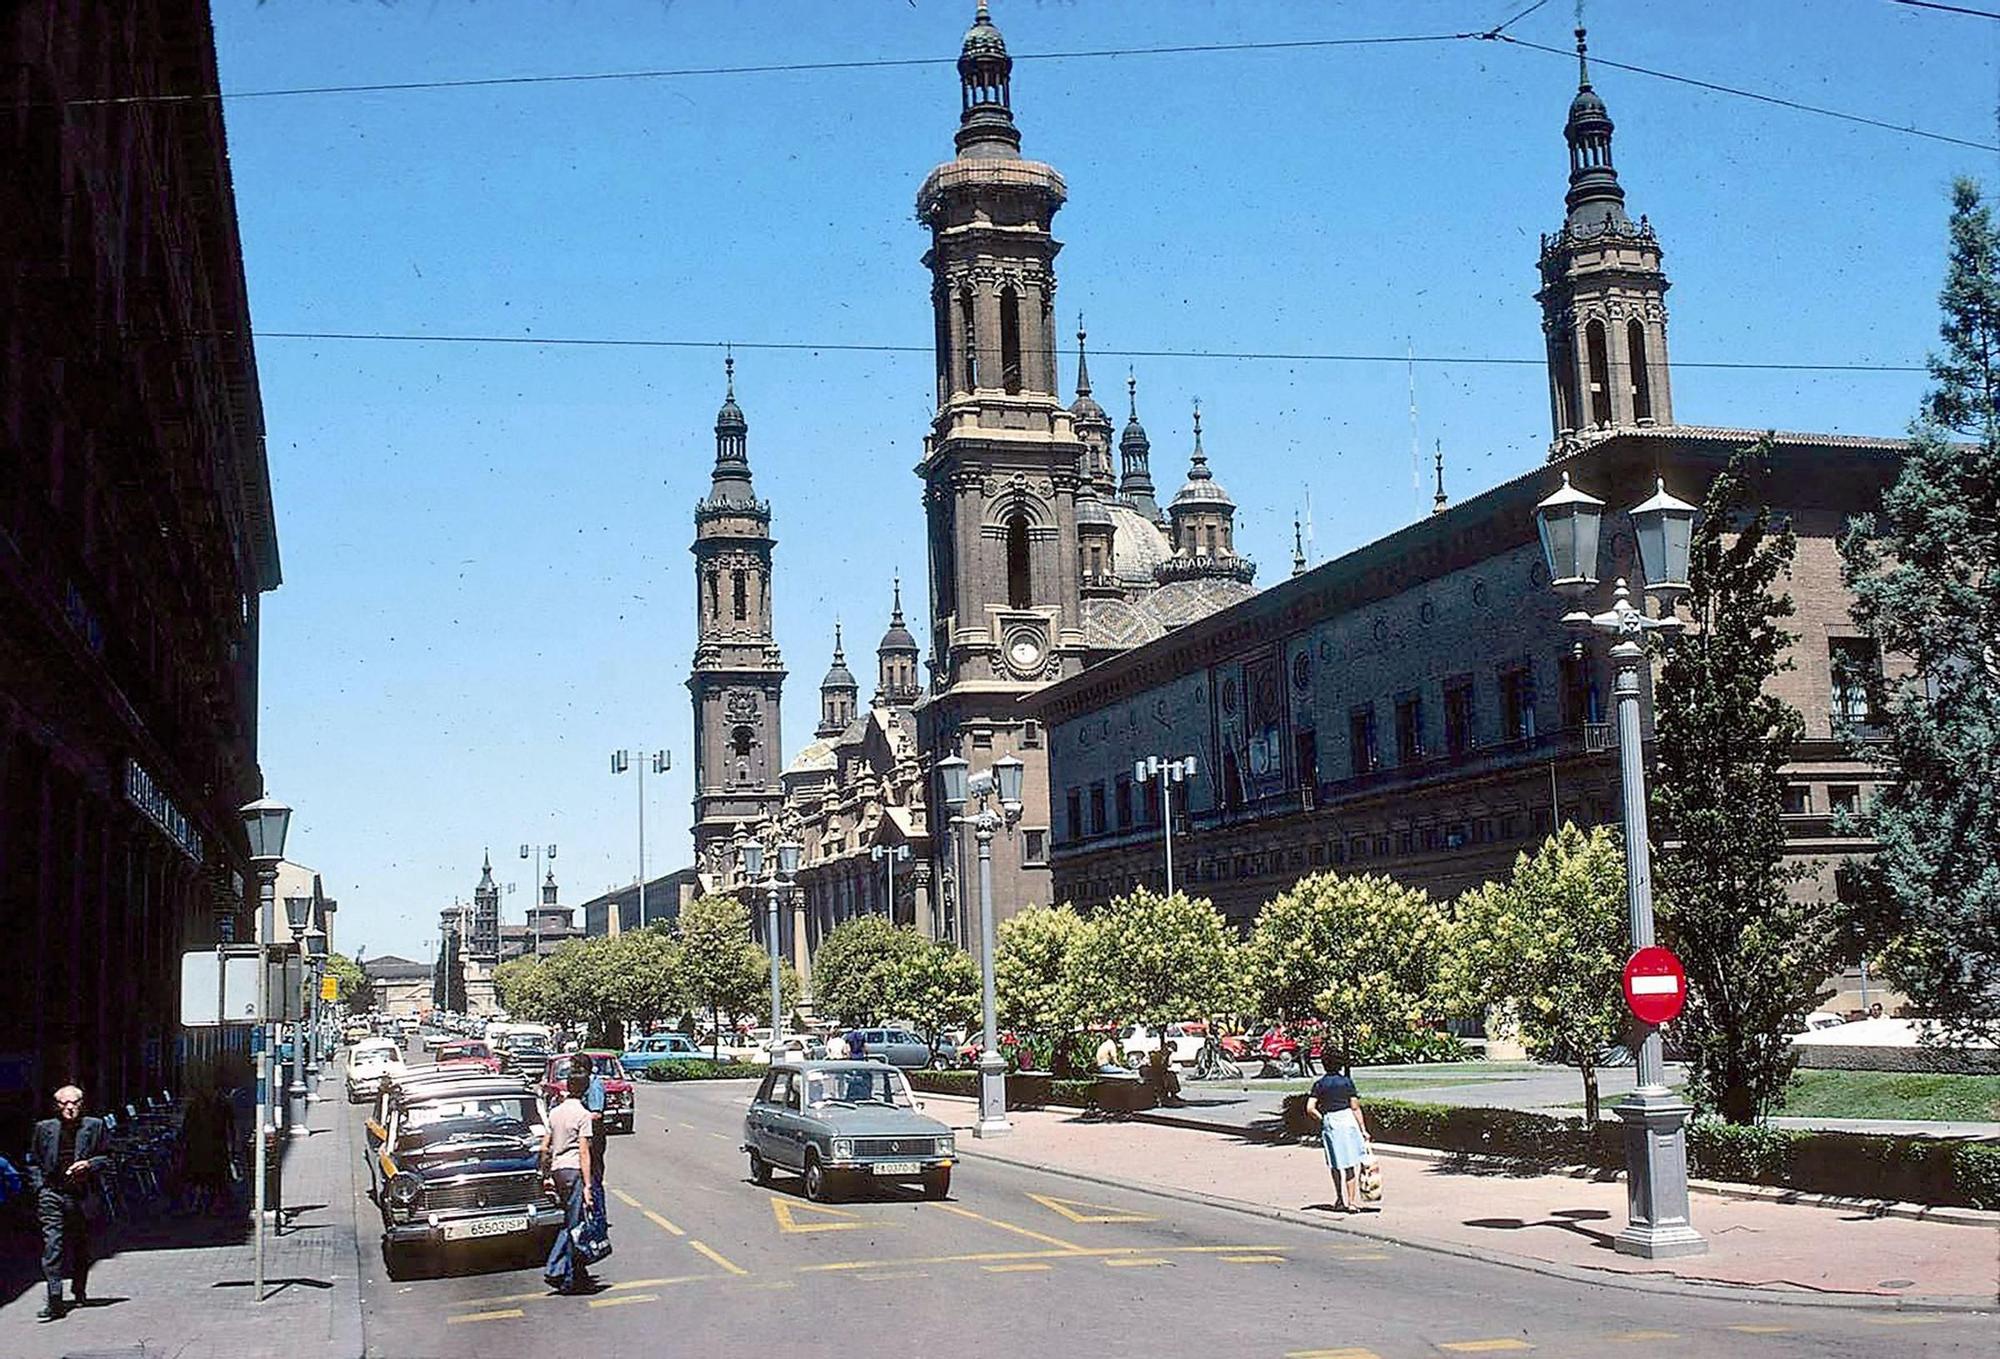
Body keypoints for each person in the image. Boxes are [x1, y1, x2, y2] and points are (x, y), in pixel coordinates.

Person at [26, 1085, 109, 1320]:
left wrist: (89, 1164)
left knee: (80, 1244)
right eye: (64, 1104)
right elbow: (32, 1160)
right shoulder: (44, 1128)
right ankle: (55, 1298)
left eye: (74, 1103)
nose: (69, 1108)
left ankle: (79, 1290)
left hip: (82, 1195)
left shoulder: (95, 1126)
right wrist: (40, 1187)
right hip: (52, 1193)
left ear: (82, 1104)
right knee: (53, 1244)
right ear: (57, 1106)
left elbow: (108, 1156)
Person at [539, 1066, 599, 1295]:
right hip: (574, 1171)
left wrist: (546, 1175)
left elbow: (545, 1147)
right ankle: (556, 1270)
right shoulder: (583, 1115)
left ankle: (577, 1274)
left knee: (570, 1220)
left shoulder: (555, 1113)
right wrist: (588, 1186)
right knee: (573, 1226)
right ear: (584, 1091)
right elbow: (585, 1152)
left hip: (557, 1170)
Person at [1305, 1066, 1369, 1213]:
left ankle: (1339, 1199)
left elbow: (1310, 1108)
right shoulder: (1346, 1082)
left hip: (1331, 1121)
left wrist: (1323, 1119)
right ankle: (1352, 1202)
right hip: (1347, 1120)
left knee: (1335, 1163)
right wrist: (1363, 1129)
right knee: (1350, 1163)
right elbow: (1355, 1107)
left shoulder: (1320, 1084)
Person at [574, 1054, 609, 1230]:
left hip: (594, 1136)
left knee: (593, 1176)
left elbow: (597, 1113)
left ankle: (599, 1218)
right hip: (585, 1133)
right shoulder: (583, 1083)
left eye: (575, 1067)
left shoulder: (594, 1085)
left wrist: (577, 1114)